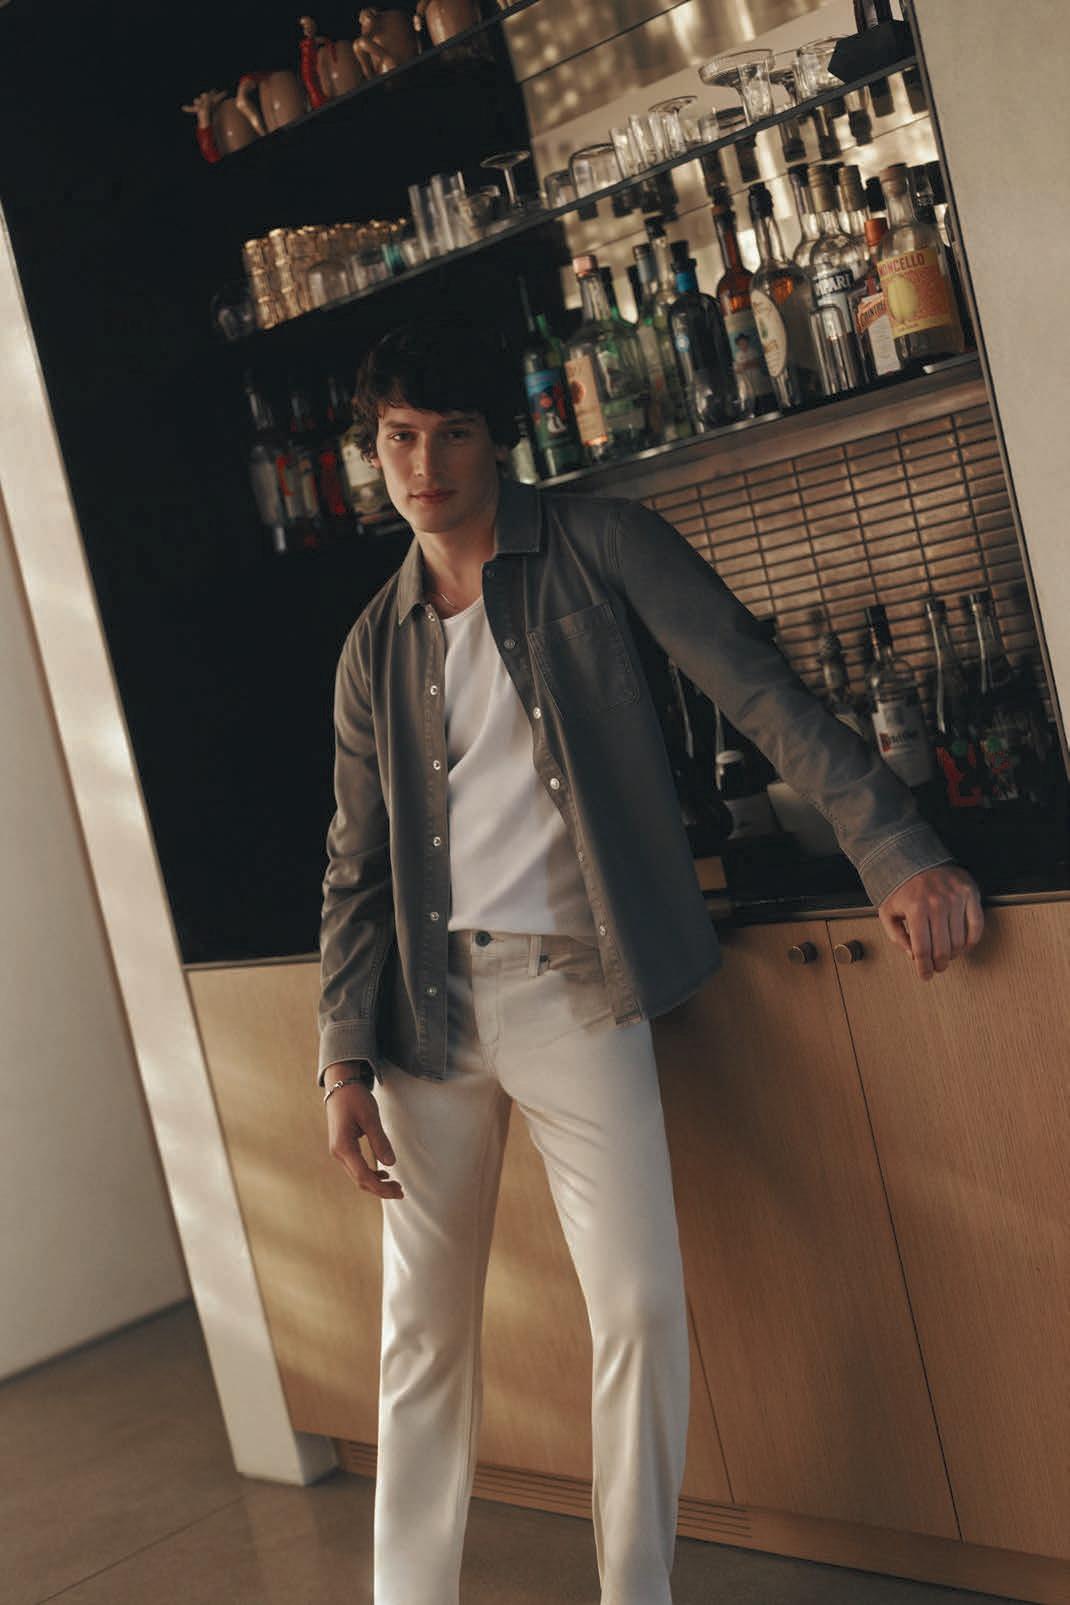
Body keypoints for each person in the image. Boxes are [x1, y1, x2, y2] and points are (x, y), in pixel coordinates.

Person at [316, 320, 983, 1605]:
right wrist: (339, 1059)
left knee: (636, 1307)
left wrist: (893, 848)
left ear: (498, 440)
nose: (425, 465)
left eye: (453, 432)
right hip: (424, 1015)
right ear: (370, 451)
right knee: (421, 1334)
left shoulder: (602, 545)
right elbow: (356, 869)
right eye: (398, 437)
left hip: (576, 988)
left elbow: (759, 691)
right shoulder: (371, 645)